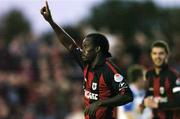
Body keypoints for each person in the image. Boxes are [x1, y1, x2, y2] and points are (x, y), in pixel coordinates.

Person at [40, 1, 133, 119]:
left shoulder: (109, 70)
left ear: (97, 49)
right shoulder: (86, 63)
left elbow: (128, 96)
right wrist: (51, 22)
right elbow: (70, 45)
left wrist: (101, 103)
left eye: (85, 47)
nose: (82, 50)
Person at [143, 40, 180, 119]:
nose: (157, 57)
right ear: (151, 55)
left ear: (167, 55)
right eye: (154, 53)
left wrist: (158, 105)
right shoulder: (149, 74)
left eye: (161, 53)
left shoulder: (174, 76)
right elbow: (149, 93)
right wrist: (143, 104)